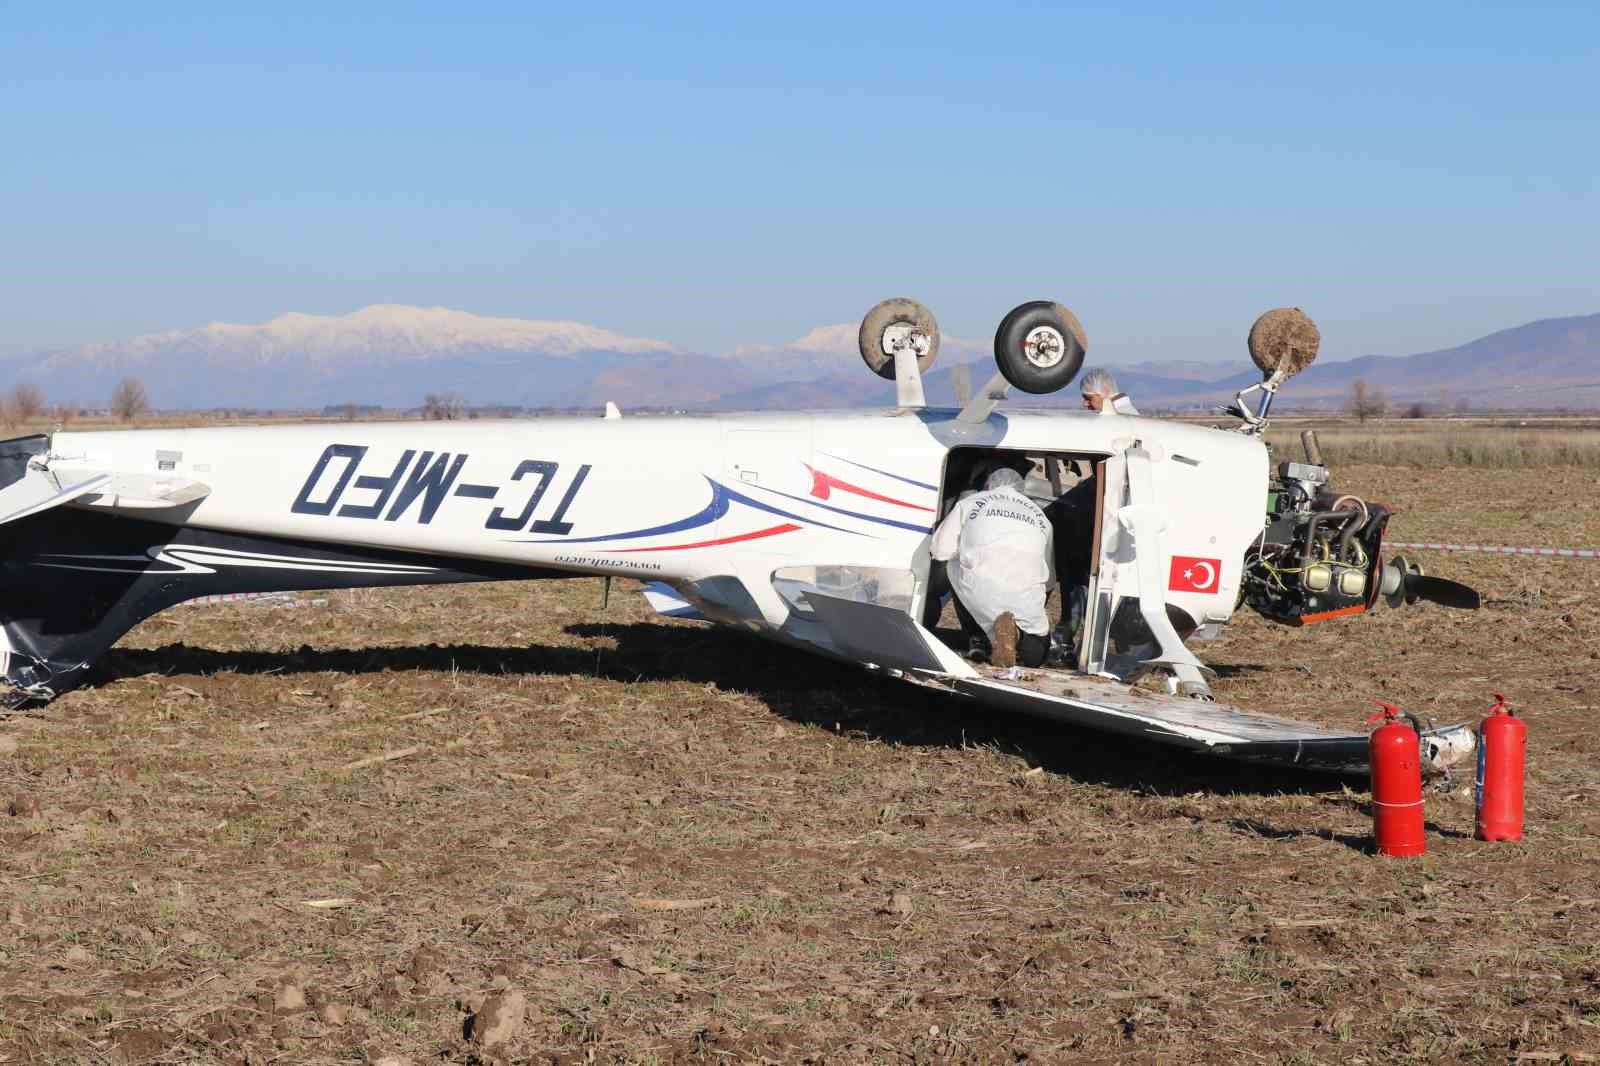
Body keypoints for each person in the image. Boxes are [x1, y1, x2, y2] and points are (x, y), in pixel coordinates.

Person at [929, 467, 1054, 668]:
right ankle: (1019, 637)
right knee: (1035, 657)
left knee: (953, 564)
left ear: (989, 486)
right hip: (1027, 601)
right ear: (1021, 490)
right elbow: (1049, 580)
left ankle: (977, 639)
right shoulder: (1042, 517)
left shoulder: (969, 503)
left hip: (979, 590)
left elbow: (939, 550)